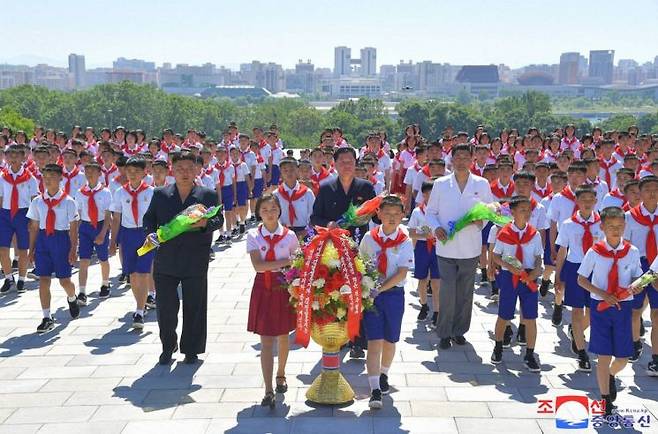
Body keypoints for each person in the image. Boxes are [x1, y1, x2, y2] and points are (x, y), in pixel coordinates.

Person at [143, 152, 223, 365]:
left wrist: (205, 224)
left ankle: (192, 349)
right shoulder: (161, 194)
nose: (185, 173)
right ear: (173, 171)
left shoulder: (207, 195)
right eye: (180, 169)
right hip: (166, 260)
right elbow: (149, 219)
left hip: (195, 258)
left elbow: (218, 219)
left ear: (197, 170)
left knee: (194, 305)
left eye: (189, 168)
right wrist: (150, 234)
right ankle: (168, 346)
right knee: (166, 307)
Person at [577, 206, 644, 416]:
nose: (616, 230)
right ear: (603, 227)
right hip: (601, 308)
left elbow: (637, 277)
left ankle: (611, 376)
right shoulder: (595, 251)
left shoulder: (631, 252)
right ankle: (605, 398)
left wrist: (638, 285)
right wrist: (602, 293)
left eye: (619, 226)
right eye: (611, 226)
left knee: (624, 357)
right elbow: (581, 279)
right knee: (603, 355)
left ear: (625, 226)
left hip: (623, 308)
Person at [426, 144, 494, 349]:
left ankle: (459, 330)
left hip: (470, 247)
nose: (462, 161)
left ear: (472, 159)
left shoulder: (481, 184)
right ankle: (444, 332)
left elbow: (490, 210)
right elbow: (430, 212)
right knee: (447, 291)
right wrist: (436, 228)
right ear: (452, 160)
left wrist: (479, 222)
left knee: (465, 292)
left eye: (466, 157)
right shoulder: (440, 184)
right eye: (458, 157)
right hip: (446, 246)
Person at [310, 146, 376, 358]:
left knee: (359, 292)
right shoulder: (326, 187)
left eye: (350, 161)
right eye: (342, 161)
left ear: (356, 164)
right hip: (333, 250)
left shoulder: (366, 187)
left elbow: (376, 217)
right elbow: (314, 218)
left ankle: (357, 340)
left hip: (358, 248)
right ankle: (337, 337)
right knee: (336, 292)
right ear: (335, 164)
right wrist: (328, 224)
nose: (347, 165)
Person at [359, 195, 414, 409]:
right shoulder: (369, 238)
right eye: (387, 214)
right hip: (371, 296)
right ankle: (374, 389)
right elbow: (360, 264)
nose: (391, 218)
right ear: (378, 214)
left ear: (402, 216)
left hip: (392, 296)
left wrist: (379, 288)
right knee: (374, 341)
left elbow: (401, 273)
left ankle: (383, 373)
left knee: (390, 341)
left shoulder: (405, 241)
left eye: (396, 214)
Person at [246, 194, 298, 408]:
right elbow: (258, 266)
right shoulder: (253, 235)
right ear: (258, 212)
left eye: (273, 208)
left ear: (279, 210)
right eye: (265, 209)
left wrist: (288, 269)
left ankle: (281, 374)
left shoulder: (289, 235)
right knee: (266, 340)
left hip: (285, 287)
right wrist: (285, 261)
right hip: (263, 287)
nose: (269, 213)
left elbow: (297, 267)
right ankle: (268, 389)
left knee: (283, 335)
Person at [490, 196, 544, 372]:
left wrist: (536, 271)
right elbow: (496, 256)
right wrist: (509, 267)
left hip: (528, 277)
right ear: (512, 212)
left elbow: (538, 257)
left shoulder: (534, 234)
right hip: (509, 277)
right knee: (504, 315)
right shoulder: (504, 233)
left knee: (530, 317)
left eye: (528, 210)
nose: (526, 213)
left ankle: (529, 353)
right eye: (522, 210)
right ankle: (498, 346)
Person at [26, 163, 80, 333]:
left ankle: (72, 298)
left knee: (64, 280)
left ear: (60, 178)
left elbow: (73, 229)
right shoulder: (37, 202)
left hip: (61, 240)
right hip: (43, 240)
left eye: (51, 177)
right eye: (45, 178)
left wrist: (73, 249)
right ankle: (47, 316)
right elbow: (34, 226)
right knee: (43, 279)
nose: (47, 181)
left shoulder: (68, 202)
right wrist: (31, 249)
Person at [554, 186, 602, 372]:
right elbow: (562, 250)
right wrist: (558, 276)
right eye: (583, 199)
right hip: (575, 268)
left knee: (592, 312)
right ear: (577, 201)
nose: (587, 202)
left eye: (591, 199)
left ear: (595, 201)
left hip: (596, 270)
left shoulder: (602, 223)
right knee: (576, 311)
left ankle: (576, 332)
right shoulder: (568, 224)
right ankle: (582, 354)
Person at [109, 157, 155, 330]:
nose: (133, 175)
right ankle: (139, 304)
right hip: (128, 235)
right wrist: (113, 241)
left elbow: (156, 216)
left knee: (143, 273)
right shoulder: (120, 192)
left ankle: (139, 311)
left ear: (144, 173)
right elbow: (116, 218)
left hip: (146, 234)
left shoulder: (151, 192)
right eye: (129, 171)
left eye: (136, 171)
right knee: (133, 275)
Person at [623, 175, 658, 364]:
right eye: (647, 189)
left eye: (656, 189)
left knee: (656, 313)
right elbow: (626, 247)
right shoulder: (630, 217)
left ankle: (656, 357)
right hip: (638, 266)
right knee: (635, 309)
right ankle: (635, 342)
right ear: (640, 193)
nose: (652, 193)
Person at [0, 145, 39, 293]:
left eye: (17, 156)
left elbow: (34, 200)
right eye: (11, 156)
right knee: (3, 248)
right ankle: (9, 277)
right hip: (5, 213)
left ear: (24, 158)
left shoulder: (30, 178)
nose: (14, 159)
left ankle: (21, 279)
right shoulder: (2, 177)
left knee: (23, 249)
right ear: (7, 158)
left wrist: (34, 220)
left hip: (23, 214)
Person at [74, 162, 113, 303]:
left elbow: (108, 214)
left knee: (103, 259)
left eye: (93, 171)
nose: (90, 173)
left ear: (99, 174)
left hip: (100, 226)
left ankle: (105, 283)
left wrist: (103, 233)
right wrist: (76, 234)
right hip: (85, 227)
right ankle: (82, 291)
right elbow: (77, 214)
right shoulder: (80, 193)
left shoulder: (105, 192)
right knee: (84, 260)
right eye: (87, 171)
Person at [407, 181, 440, 326]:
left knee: (437, 281)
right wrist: (423, 235)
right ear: (424, 195)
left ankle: (438, 311)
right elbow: (411, 232)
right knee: (422, 279)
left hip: (438, 247)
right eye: (428, 194)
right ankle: (424, 305)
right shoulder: (417, 212)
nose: (431, 197)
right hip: (422, 247)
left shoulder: (442, 211)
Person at [273, 157, 314, 237]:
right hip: (282, 232)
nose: (289, 173)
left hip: (304, 231)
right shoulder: (276, 194)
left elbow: (314, 214)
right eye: (285, 170)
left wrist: (307, 230)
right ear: (281, 173)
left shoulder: (307, 192)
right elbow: (273, 215)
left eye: (292, 169)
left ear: (298, 171)